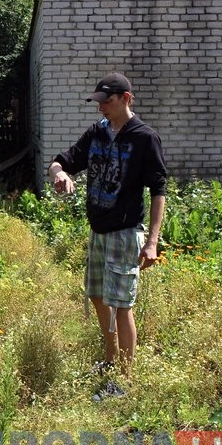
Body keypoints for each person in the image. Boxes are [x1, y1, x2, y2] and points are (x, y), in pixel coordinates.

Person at [48, 72, 167, 397]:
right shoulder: (97, 133)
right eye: (98, 102)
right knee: (99, 296)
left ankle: (124, 380)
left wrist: (153, 241)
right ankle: (111, 361)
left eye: (107, 101)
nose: (101, 108)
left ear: (126, 98)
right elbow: (61, 161)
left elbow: (158, 190)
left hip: (125, 233)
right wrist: (60, 174)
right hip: (98, 232)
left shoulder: (144, 138)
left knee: (122, 305)